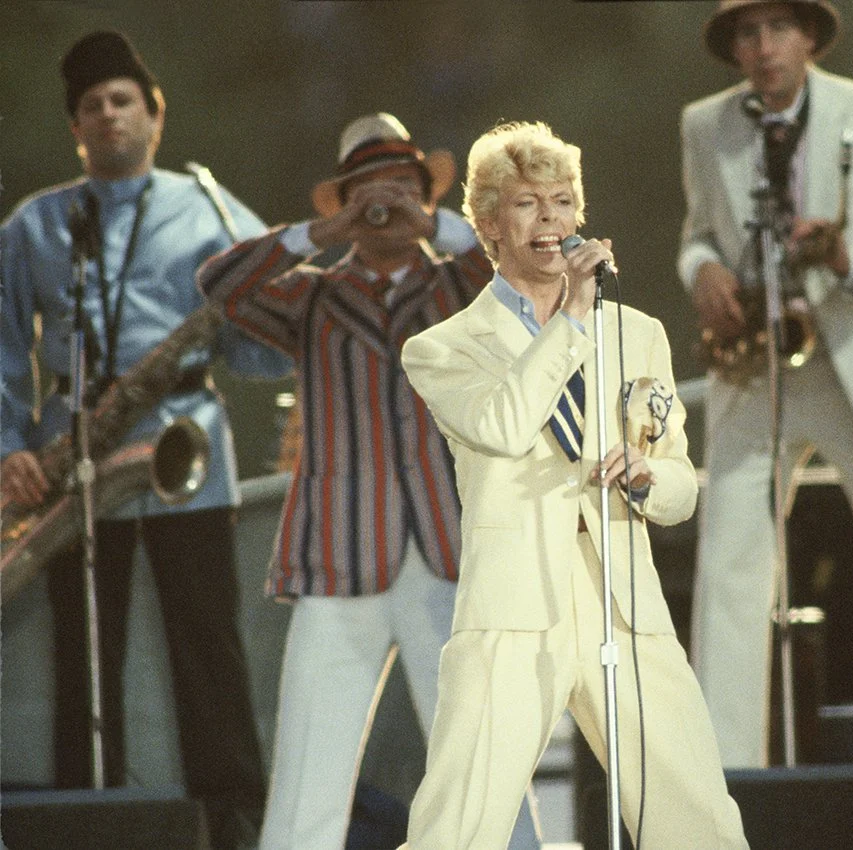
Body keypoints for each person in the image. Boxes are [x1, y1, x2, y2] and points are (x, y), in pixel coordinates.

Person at [398, 121, 749, 849]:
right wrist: (575, 322)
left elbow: (683, 487)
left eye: (562, 202)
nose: (552, 221)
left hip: (623, 597)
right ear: (490, 225)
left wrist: (652, 477)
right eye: (528, 204)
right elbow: (502, 422)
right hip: (512, 606)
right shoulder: (442, 348)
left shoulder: (640, 333)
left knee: (698, 819)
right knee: (457, 826)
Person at [197, 112, 541, 850]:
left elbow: (540, 259)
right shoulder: (313, 297)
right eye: (366, 191)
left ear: (425, 194)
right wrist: (317, 235)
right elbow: (219, 285)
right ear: (344, 205)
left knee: (480, 750)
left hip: (448, 551)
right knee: (308, 771)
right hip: (339, 557)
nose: (385, 202)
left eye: (401, 186)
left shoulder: (463, 285)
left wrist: (439, 225)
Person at [0, 30, 289, 849]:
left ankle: (234, 826)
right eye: (91, 107)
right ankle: (80, 824)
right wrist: (8, 443)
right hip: (76, 462)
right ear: (75, 129)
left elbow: (259, 335)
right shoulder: (35, 224)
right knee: (82, 665)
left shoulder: (209, 206)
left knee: (210, 656)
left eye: (122, 100)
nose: (107, 115)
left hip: (181, 454)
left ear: (156, 115)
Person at [679, 0, 853, 769]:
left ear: (809, 38)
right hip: (754, 367)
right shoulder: (706, 124)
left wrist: (842, 261)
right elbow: (699, 231)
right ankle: (725, 786)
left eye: (777, 29)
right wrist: (700, 270)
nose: (763, 46)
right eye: (746, 32)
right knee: (728, 575)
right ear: (733, 48)